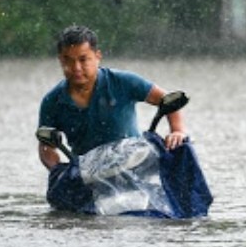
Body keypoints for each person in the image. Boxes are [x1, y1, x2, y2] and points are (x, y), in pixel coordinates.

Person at [38, 25, 187, 172]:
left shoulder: (124, 81)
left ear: (97, 57)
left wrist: (177, 131)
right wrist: (57, 169)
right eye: (68, 60)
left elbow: (168, 100)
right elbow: (46, 146)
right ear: (60, 61)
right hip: (89, 175)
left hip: (133, 165)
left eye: (83, 60)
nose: (76, 67)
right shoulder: (52, 101)